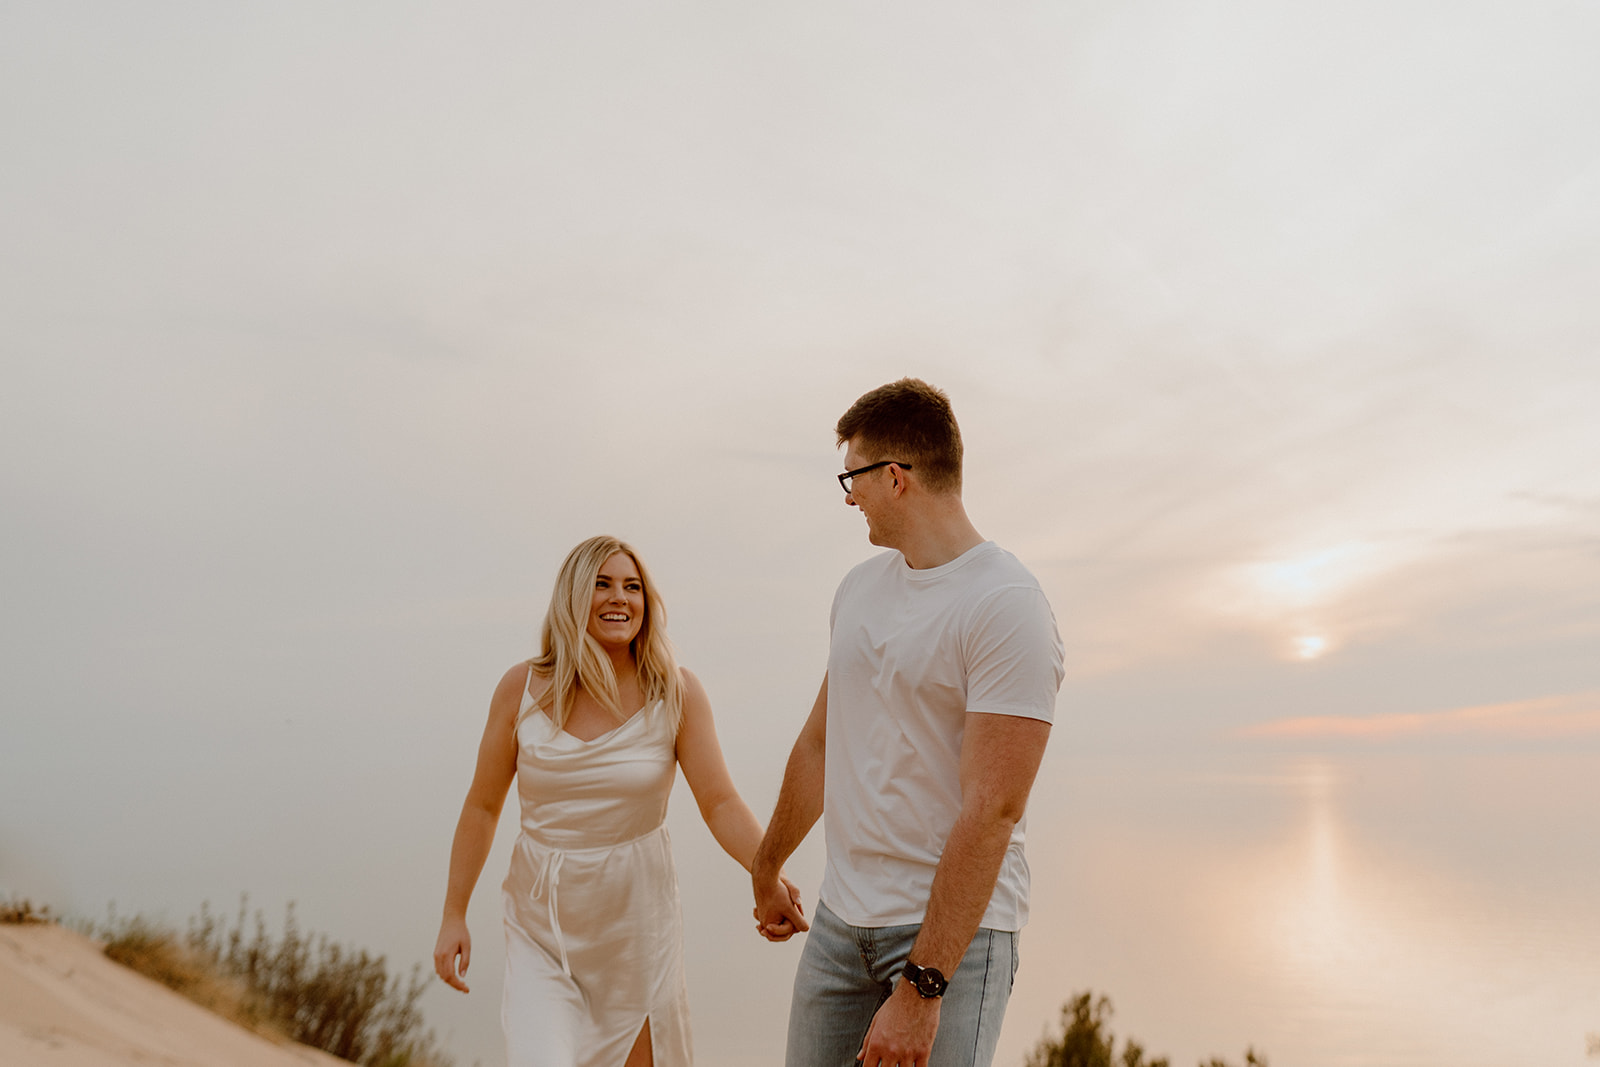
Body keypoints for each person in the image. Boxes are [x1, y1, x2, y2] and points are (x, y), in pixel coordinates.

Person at [751, 378, 1065, 1067]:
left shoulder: (1007, 605)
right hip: (839, 927)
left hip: (953, 943)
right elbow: (820, 742)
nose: (848, 495)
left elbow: (993, 808)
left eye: (852, 475)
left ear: (894, 477)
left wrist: (923, 988)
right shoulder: (858, 590)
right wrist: (766, 861)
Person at [434, 535, 800, 1067]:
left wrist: (766, 871)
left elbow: (719, 801)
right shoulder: (522, 688)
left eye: (632, 587)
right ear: (573, 597)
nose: (619, 598)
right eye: (602, 584)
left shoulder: (675, 691)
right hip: (544, 926)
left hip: (637, 927)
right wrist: (453, 914)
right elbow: (482, 807)